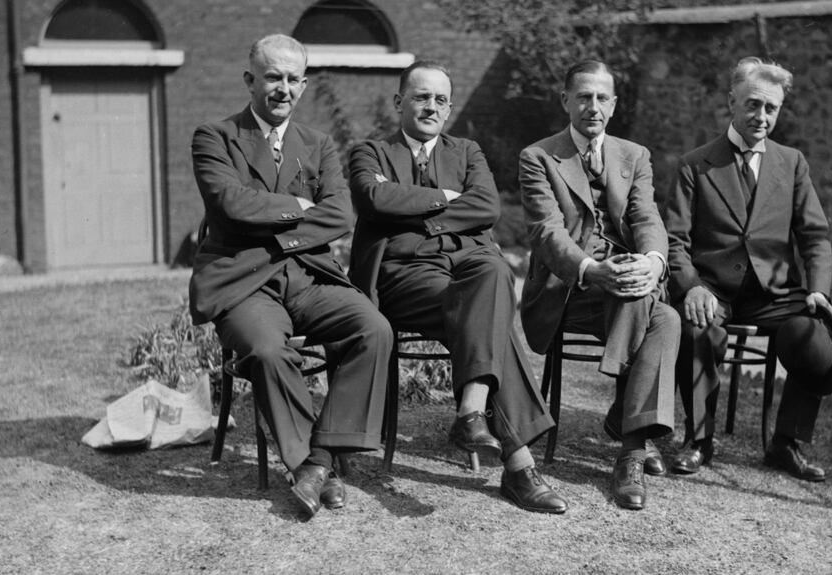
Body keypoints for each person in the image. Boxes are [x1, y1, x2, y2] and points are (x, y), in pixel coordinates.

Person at [348, 61, 568, 514]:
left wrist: (408, 210)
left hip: (468, 266)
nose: (432, 107)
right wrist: (447, 200)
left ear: (449, 107)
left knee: (494, 273)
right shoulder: (370, 151)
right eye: (422, 97)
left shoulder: (466, 151)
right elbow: (373, 198)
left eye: (440, 100)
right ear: (399, 102)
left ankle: (472, 411)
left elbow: (486, 207)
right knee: (491, 319)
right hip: (407, 275)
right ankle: (518, 465)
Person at [188, 34, 393, 517]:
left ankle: (318, 460)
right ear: (250, 80)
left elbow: (340, 214)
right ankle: (307, 465)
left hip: (307, 273)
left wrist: (278, 230)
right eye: (273, 77)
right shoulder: (214, 136)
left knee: (373, 328)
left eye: (294, 80)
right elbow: (230, 203)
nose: (284, 89)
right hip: (244, 282)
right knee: (265, 350)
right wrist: (300, 207)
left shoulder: (317, 144)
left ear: (303, 85)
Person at [665, 56, 832, 482]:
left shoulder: (792, 163)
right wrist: (690, 286)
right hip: (714, 291)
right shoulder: (696, 164)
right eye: (752, 105)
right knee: (696, 329)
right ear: (731, 102)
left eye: (771, 108)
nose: (761, 116)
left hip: (774, 294)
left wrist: (818, 290)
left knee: (814, 334)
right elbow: (674, 240)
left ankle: (786, 442)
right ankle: (699, 440)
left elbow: (815, 236)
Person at [519, 60, 679, 511]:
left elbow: (646, 217)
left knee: (660, 311)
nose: (593, 106)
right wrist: (592, 269)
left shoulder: (635, 155)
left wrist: (652, 260)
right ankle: (631, 426)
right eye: (583, 97)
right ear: (565, 100)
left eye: (602, 98)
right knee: (656, 308)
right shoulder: (538, 157)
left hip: (624, 284)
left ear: (614, 104)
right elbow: (547, 234)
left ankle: (629, 450)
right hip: (569, 289)